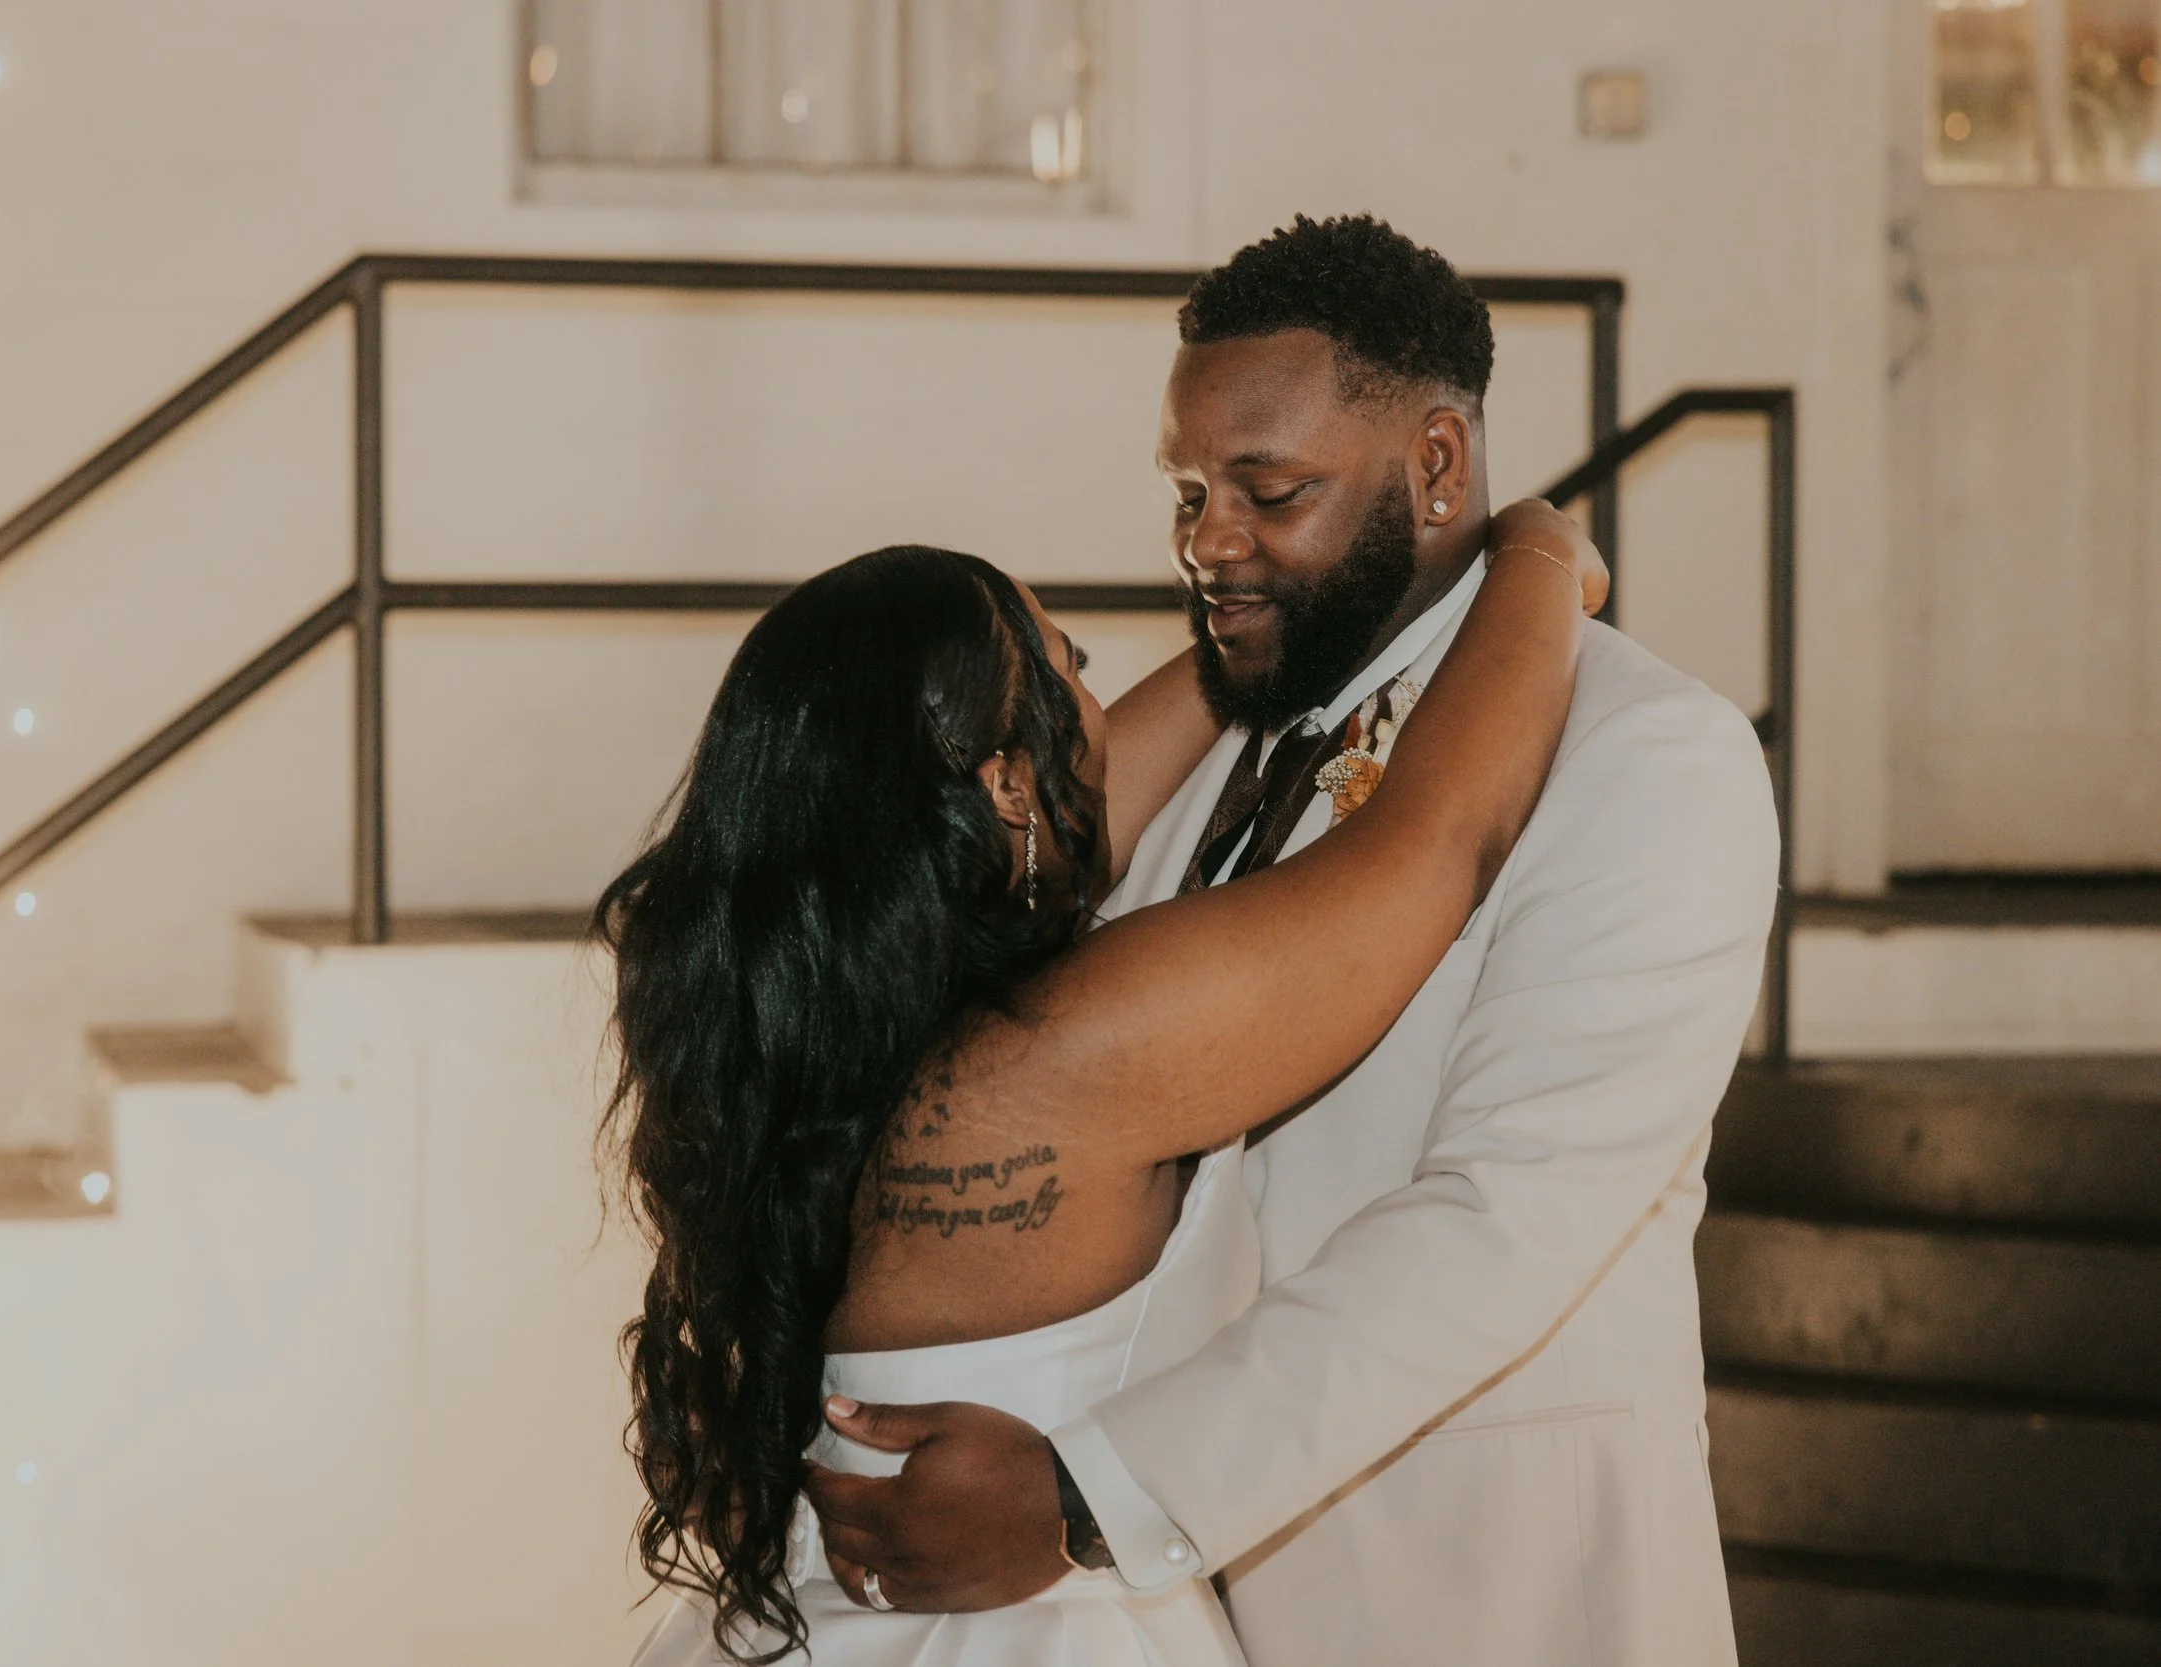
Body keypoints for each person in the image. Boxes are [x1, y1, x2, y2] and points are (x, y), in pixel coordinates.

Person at [806, 217, 1778, 1667]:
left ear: (1437, 466)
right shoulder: (1225, 736)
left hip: (1478, 1593)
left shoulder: (1649, 755)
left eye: (1268, 489)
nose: (1207, 538)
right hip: (1185, 1603)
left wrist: (1093, 1489)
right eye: (1190, 490)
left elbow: (1502, 1220)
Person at [602, 381, 1609, 1661]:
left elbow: (1086, 795)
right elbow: (1438, 838)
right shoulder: (1065, 1050)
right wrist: (1534, 550)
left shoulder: (818, 1017)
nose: (1102, 691)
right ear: (1005, 783)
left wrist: (1268, 620)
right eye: (1070, 668)